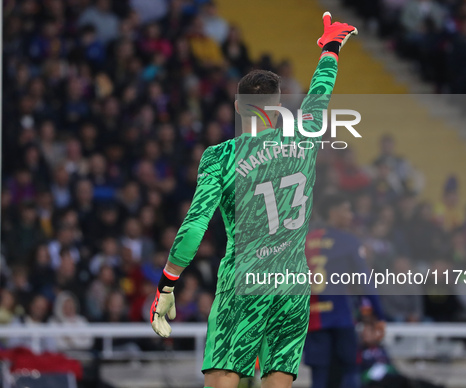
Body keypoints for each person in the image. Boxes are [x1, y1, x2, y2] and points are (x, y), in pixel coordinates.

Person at [149, 12, 359, 388]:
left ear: (236, 107)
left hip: (244, 279)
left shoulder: (221, 157)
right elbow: (320, 93)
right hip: (293, 280)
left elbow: (195, 227)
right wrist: (330, 47)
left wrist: (167, 285)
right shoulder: (304, 135)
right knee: (278, 378)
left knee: (224, 375)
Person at [304, 194, 385, 388]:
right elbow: (365, 283)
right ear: (334, 213)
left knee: (320, 374)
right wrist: (378, 315)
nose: (351, 216)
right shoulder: (348, 241)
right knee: (349, 369)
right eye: (347, 210)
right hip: (341, 315)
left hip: (313, 317)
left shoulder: (305, 241)